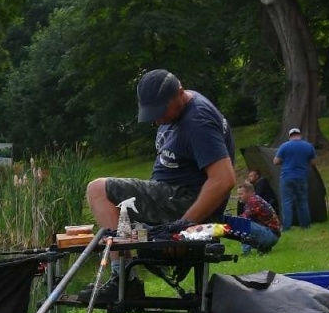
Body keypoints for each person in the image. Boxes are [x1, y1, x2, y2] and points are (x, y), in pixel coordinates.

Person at [84, 68, 237, 299]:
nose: (156, 120)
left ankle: (124, 280)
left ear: (180, 93)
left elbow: (224, 180)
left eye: (160, 112)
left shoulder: (198, 120)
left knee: (98, 190)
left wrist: (182, 225)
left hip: (185, 201)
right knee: (110, 205)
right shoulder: (182, 109)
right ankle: (124, 278)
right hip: (172, 196)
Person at [272, 126, 317, 231]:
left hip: (287, 177)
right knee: (302, 201)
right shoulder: (308, 146)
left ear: (290, 136)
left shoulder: (284, 146)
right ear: (300, 135)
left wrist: (285, 161)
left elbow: (275, 161)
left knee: (287, 202)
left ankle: (287, 227)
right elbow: (313, 162)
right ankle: (305, 226)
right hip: (302, 177)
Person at [224, 171, 281, 254]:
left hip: (271, 235)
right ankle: (263, 247)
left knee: (242, 223)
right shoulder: (255, 200)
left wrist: (226, 222)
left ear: (249, 193)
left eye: (241, 194)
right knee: (243, 223)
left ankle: (246, 253)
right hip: (271, 234)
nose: (238, 197)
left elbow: (243, 219)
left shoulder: (253, 201)